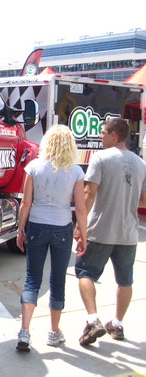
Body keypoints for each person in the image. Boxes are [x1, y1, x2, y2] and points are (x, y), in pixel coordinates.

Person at [15, 125, 87, 352]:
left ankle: (25, 331)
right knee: (57, 280)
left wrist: (20, 230)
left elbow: (25, 203)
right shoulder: (75, 171)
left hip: (36, 225)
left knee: (31, 279)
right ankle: (54, 332)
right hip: (62, 227)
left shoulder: (34, 167)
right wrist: (83, 234)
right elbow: (81, 208)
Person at [75, 117, 146, 345]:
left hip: (101, 230)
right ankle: (117, 323)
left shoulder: (101, 158)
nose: (100, 136)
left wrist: (80, 225)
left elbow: (89, 193)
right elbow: (144, 200)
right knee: (125, 280)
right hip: (128, 233)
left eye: (103, 133)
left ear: (114, 135)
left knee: (85, 273)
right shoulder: (140, 164)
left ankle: (93, 320)